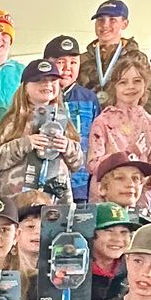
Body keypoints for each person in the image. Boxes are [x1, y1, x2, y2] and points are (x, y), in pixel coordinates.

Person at [0, 59, 82, 204]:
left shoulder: (63, 121)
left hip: (55, 204)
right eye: (39, 80)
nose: (47, 84)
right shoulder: (12, 121)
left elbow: (77, 164)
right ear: (25, 87)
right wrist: (24, 144)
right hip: (17, 205)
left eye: (53, 80)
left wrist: (67, 146)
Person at [85, 53, 151, 203]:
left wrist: (146, 179)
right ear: (114, 86)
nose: (130, 87)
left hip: (139, 198)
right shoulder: (102, 121)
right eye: (123, 82)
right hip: (106, 199)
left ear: (145, 85)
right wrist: (127, 155)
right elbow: (93, 164)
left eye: (137, 81)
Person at [45, 35, 100, 203]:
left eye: (74, 62)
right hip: (43, 185)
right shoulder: (36, 95)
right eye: (61, 62)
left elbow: (96, 143)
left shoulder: (89, 98)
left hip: (80, 186)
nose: (68, 68)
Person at [79, 0, 142, 99]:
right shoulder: (82, 59)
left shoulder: (136, 58)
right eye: (100, 19)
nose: (105, 25)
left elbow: (144, 94)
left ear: (124, 24)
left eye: (112, 19)